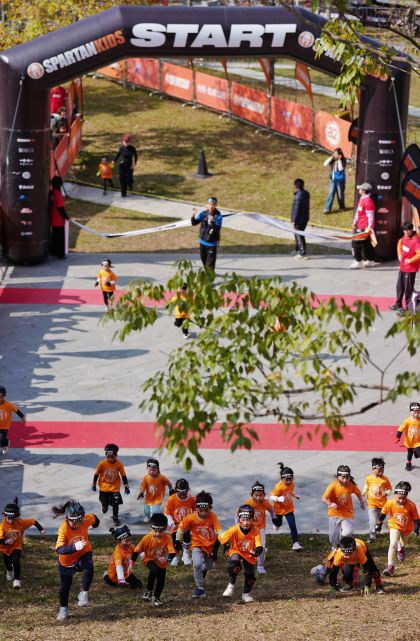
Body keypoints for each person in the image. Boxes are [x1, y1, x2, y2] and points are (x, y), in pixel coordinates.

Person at [53, 500, 100, 621]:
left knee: (89, 568)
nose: (76, 524)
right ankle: (63, 609)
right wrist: (73, 547)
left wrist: (94, 526)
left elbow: (96, 519)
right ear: (67, 519)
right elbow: (59, 549)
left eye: (79, 521)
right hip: (67, 559)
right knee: (65, 587)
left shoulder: (86, 519)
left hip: (83, 552)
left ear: (82, 518)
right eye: (73, 522)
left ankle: (83, 593)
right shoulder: (63, 529)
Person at [176, 490, 222, 598]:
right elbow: (181, 528)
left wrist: (223, 540)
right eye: (201, 510)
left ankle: (202, 570)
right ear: (196, 508)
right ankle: (199, 588)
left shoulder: (213, 517)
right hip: (197, 545)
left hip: (210, 546)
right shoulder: (191, 518)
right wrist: (177, 541)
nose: (203, 513)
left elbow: (219, 530)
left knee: (209, 566)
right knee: (197, 564)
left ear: (211, 508)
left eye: (206, 511)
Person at [219, 504, 263, 603]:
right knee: (234, 564)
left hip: (249, 554)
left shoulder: (256, 530)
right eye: (243, 519)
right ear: (239, 519)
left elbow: (259, 545)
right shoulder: (234, 529)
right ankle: (231, 585)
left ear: (253, 519)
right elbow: (220, 538)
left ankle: (246, 594)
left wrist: (256, 552)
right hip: (237, 550)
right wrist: (220, 548)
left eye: (249, 520)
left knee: (251, 575)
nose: (246, 523)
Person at [375, 481, 419, 577]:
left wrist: (416, 528)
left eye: (404, 498)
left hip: (407, 528)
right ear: (394, 495)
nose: (402, 500)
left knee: (402, 544)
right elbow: (383, 514)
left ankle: (401, 548)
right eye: (399, 498)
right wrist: (378, 525)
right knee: (393, 544)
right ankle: (390, 567)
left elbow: (416, 518)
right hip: (394, 525)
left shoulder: (411, 505)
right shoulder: (390, 503)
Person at [131, 513, 175, 606]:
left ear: (165, 529)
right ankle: (148, 590)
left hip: (162, 563)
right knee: (154, 570)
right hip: (149, 559)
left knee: (161, 581)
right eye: (155, 531)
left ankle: (156, 597)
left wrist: (167, 558)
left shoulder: (167, 538)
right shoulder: (147, 537)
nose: (157, 534)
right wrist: (132, 561)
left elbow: (172, 552)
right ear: (151, 527)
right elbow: (137, 549)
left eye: (160, 531)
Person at [0, 498, 45, 589]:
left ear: (16, 517)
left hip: (16, 546)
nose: (11, 521)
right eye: (9, 518)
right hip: (5, 549)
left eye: (13, 518)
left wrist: (41, 529)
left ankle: (17, 580)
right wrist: (6, 541)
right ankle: (9, 571)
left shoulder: (21, 522)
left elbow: (33, 521)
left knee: (16, 561)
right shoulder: (2, 526)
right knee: (8, 565)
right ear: (5, 516)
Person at [321, 464, 365, 550]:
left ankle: (343, 545)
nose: (345, 480)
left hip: (347, 512)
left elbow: (358, 492)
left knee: (347, 533)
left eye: (347, 478)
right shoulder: (332, 486)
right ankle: (335, 547)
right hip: (334, 513)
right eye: (343, 478)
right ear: (338, 477)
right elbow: (323, 498)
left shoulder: (351, 485)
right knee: (333, 537)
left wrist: (361, 501)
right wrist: (330, 504)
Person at [92, 443, 130, 526]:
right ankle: (104, 506)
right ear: (106, 456)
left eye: (112, 457)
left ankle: (115, 517)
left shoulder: (119, 464)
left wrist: (126, 486)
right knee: (103, 501)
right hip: (104, 487)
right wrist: (93, 484)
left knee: (115, 504)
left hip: (115, 488)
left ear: (116, 456)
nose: (110, 459)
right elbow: (96, 474)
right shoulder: (102, 463)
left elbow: (123, 475)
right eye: (108, 457)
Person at [244, 481, 276, 574]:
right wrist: (238, 524)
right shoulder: (248, 504)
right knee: (249, 546)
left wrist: (274, 518)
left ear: (264, 495)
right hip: (249, 528)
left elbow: (271, 509)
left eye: (260, 495)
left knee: (261, 547)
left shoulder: (265, 503)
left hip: (260, 529)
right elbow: (238, 514)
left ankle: (260, 565)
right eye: (256, 495)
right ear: (252, 495)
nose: (258, 497)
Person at [270, 463, 303, 551]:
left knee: (293, 525)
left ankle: (295, 543)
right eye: (286, 480)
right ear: (281, 479)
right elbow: (271, 496)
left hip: (289, 509)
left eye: (290, 479)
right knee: (279, 524)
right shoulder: (278, 487)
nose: (288, 482)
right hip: (279, 510)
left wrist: (294, 495)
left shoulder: (292, 484)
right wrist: (278, 499)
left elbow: (290, 492)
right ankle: (276, 524)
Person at [389, 222, 420, 313]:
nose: (406, 232)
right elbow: (400, 242)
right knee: (399, 287)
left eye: (408, 231)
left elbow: (419, 254)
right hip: (403, 268)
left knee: (408, 289)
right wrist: (399, 255)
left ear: (411, 230)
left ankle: (408, 308)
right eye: (405, 231)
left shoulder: (415, 241)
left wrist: (410, 260)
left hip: (410, 269)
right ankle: (398, 305)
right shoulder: (405, 237)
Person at [164, 478, 195, 566]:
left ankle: (186, 554)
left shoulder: (192, 499)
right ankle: (176, 555)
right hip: (175, 524)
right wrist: (171, 523)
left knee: (187, 536)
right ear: (176, 490)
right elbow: (166, 513)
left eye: (184, 493)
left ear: (187, 491)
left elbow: (195, 512)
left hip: (186, 524)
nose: (182, 495)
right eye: (180, 493)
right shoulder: (171, 499)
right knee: (175, 540)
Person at [362, 458, 392, 541]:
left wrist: (386, 493)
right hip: (371, 503)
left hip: (382, 504)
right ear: (373, 469)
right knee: (372, 519)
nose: (381, 473)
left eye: (382, 471)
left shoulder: (385, 480)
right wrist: (364, 492)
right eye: (379, 471)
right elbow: (366, 485)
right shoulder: (369, 478)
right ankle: (372, 533)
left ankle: (379, 525)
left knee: (380, 518)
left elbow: (390, 489)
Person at [104, 525, 142, 589]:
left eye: (130, 540)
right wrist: (121, 579)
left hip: (126, 572)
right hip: (116, 575)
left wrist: (144, 555)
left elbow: (137, 551)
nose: (129, 543)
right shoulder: (118, 553)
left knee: (138, 585)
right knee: (114, 583)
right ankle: (107, 577)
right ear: (118, 541)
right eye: (126, 541)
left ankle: (125, 581)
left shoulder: (130, 546)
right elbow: (119, 567)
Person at [350, 182, 378, 269]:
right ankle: (370, 260)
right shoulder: (362, 199)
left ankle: (358, 261)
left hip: (364, 227)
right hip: (361, 225)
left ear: (364, 191)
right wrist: (354, 222)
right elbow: (358, 213)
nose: (359, 189)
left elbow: (370, 215)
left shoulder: (368, 201)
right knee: (366, 244)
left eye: (360, 188)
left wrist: (369, 227)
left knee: (355, 243)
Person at [137, 458, 173, 523]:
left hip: (158, 498)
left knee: (154, 511)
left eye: (154, 470)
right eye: (150, 470)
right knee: (147, 511)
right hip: (149, 498)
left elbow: (168, 482)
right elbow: (143, 485)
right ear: (147, 468)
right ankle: (148, 516)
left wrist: (171, 489)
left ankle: (155, 518)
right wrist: (141, 492)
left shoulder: (161, 478)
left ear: (158, 469)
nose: (152, 471)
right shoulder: (146, 477)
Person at [191, 196, 223, 270]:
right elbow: (194, 223)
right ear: (207, 204)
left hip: (212, 244)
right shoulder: (203, 213)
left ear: (216, 205)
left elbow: (217, 229)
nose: (211, 206)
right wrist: (193, 215)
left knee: (210, 264)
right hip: (202, 242)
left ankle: (210, 276)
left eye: (213, 204)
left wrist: (212, 222)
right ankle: (208, 274)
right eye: (209, 204)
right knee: (204, 263)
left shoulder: (218, 216)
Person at [0, 386, 25, 454]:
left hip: (4, 426)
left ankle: (6, 443)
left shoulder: (8, 404)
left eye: (1, 397)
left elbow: (16, 410)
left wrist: (22, 417)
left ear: (4, 396)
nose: (0, 399)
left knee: (1, 441)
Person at [396, 401, 420, 471]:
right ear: (410, 412)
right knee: (409, 454)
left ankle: (416, 453)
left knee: (419, 454)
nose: (416, 414)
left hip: (417, 441)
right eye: (415, 412)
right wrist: (398, 436)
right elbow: (401, 428)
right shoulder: (407, 421)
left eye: (418, 412)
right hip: (409, 442)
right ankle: (409, 463)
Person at [49, 176, 69, 259]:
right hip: (59, 220)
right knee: (60, 238)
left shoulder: (51, 192)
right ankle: (60, 254)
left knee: (54, 236)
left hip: (52, 219)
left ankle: (53, 252)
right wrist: (66, 216)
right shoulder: (58, 193)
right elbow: (60, 207)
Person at [290, 178, 310, 259]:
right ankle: (297, 249)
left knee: (299, 235)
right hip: (305, 217)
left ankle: (302, 252)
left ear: (295, 186)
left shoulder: (298, 196)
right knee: (298, 234)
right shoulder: (306, 193)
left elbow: (297, 209)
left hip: (299, 219)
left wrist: (294, 220)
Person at [323, 148, 346, 213]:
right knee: (331, 193)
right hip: (333, 180)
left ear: (340, 155)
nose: (334, 155)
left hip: (340, 180)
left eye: (336, 154)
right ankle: (327, 208)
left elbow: (341, 169)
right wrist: (331, 158)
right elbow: (325, 164)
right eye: (334, 153)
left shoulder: (343, 160)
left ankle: (342, 207)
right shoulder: (332, 159)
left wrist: (339, 160)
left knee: (340, 195)